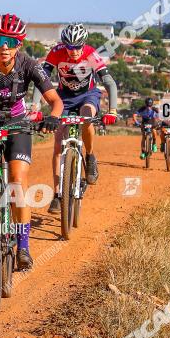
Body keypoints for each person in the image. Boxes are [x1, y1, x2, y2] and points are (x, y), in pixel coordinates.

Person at [0, 13, 62, 271]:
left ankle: (23, 247)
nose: (4, 47)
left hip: (17, 124)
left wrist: (53, 118)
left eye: (11, 41)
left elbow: (56, 101)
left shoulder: (29, 65)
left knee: (18, 183)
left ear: (19, 44)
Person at [42, 22, 119, 213]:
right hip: (64, 98)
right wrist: (36, 106)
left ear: (83, 44)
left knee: (86, 117)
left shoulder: (91, 55)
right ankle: (58, 194)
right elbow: (41, 79)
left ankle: (90, 156)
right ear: (64, 45)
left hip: (88, 95)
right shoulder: (56, 52)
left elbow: (108, 82)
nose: (73, 51)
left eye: (77, 47)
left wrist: (113, 110)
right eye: (69, 47)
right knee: (59, 141)